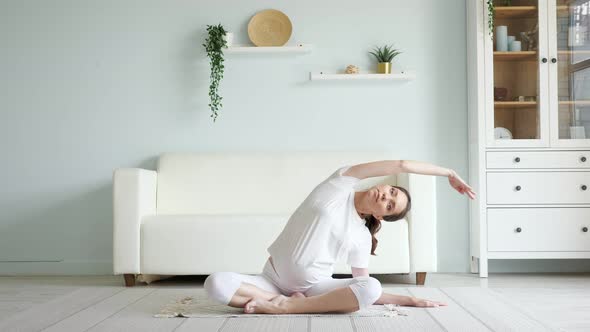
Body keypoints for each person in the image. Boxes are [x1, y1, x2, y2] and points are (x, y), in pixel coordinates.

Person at [204, 160, 476, 314]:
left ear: (381, 216)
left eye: (390, 205)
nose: (386, 197)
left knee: (372, 287)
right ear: (384, 185)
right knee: (215, 284)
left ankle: (291, 307)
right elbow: (402, 164)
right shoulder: (339, 185)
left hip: (315, 287)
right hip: (270, 281)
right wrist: (449, 173)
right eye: (392, 192)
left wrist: (408, 300)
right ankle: (283, 301)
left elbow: (361, 287)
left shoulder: (361, 235)